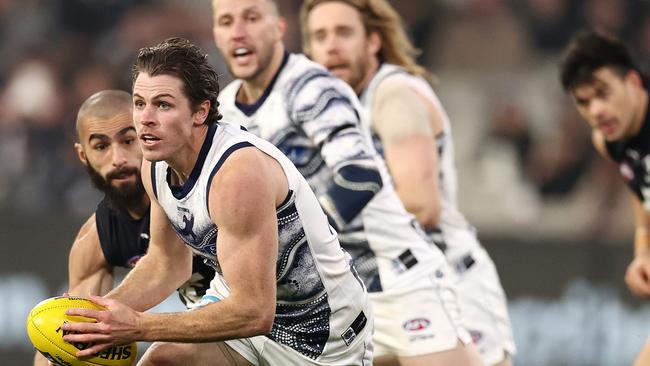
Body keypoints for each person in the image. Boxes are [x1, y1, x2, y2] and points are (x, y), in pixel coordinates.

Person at [61, 37, 372, 366]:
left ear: (200, 112)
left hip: (321, 335)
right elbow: (167, 263)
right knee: (162, 362)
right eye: (139, 103)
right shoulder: (155, 164)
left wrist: (138, 325)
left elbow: (254, 311)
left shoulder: (237, 174)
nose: (145, 119)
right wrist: (96, 319)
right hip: (242, 313)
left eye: (163, 105)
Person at [212, 0, 483, 365]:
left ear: (279, 28)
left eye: (251, 18)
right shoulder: (225, 114)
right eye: (227, 22)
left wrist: (288, 241)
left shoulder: (311, 87)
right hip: (331, 296)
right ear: (216, 33)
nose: (239, 31)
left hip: (394, 276)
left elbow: (359, 176)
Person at [300, 1, 517, 365]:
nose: (331, 46)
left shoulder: (393, 94)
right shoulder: (322, 112)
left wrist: (320, 221)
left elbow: (421, 205)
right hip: (379, 288)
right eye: (320, 36)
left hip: (445, 282)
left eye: (344, 32)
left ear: (373, 41)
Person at [33, 90, 215, 366]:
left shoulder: (185, 191)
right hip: (216, 332)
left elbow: (167, 267)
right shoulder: (96, 237)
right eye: (101, 146)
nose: (118, 158)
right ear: (83, 156)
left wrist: (96, 320)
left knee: (163, 359)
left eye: (128, 140)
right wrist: (70, 340)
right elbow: (70, 329)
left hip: (268, 321)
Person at [559, 30, 650, 366]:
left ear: (633, 82)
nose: (596, 110)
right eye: (583, 102)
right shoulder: (611, 140)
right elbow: (641, 188)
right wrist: (643, 249)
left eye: (602, 93)